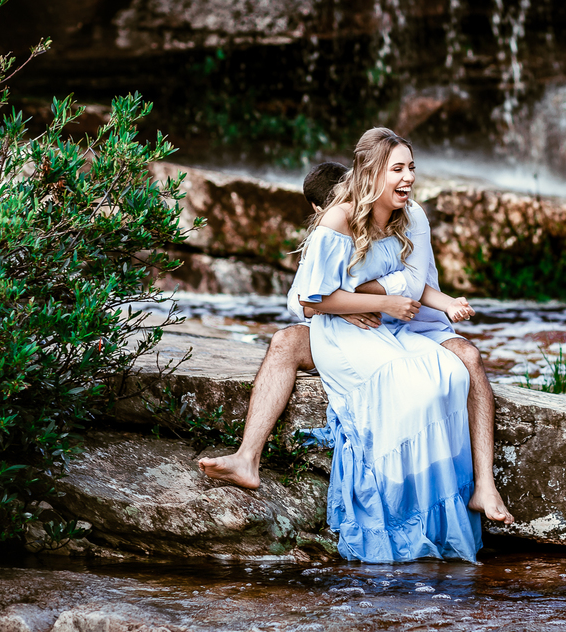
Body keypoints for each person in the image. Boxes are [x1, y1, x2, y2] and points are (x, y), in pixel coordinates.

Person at [198, 158, 514, 527]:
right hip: (352, 331)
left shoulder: (397, 217)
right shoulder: (330, 228)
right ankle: (247, 457)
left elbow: (407, 286)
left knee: (469, 357)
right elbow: (300, 298)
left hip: (412, 326)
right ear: (319, 210)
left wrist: (350, 299)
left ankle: (485, 485)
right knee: (285, 342)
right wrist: (342, 308)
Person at [290, 127, 487, 561]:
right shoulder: (338, 219)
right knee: (412, 390)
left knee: (451, 375)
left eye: (411, 168)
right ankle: (396, 518)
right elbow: (310, 299)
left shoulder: (409, 216)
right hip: (340, 333)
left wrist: (405, 303)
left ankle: (435, 521)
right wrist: (380, 302)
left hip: (384, 326)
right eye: (397, 168)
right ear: (371, 172)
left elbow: (414, 286)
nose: (408, 177)